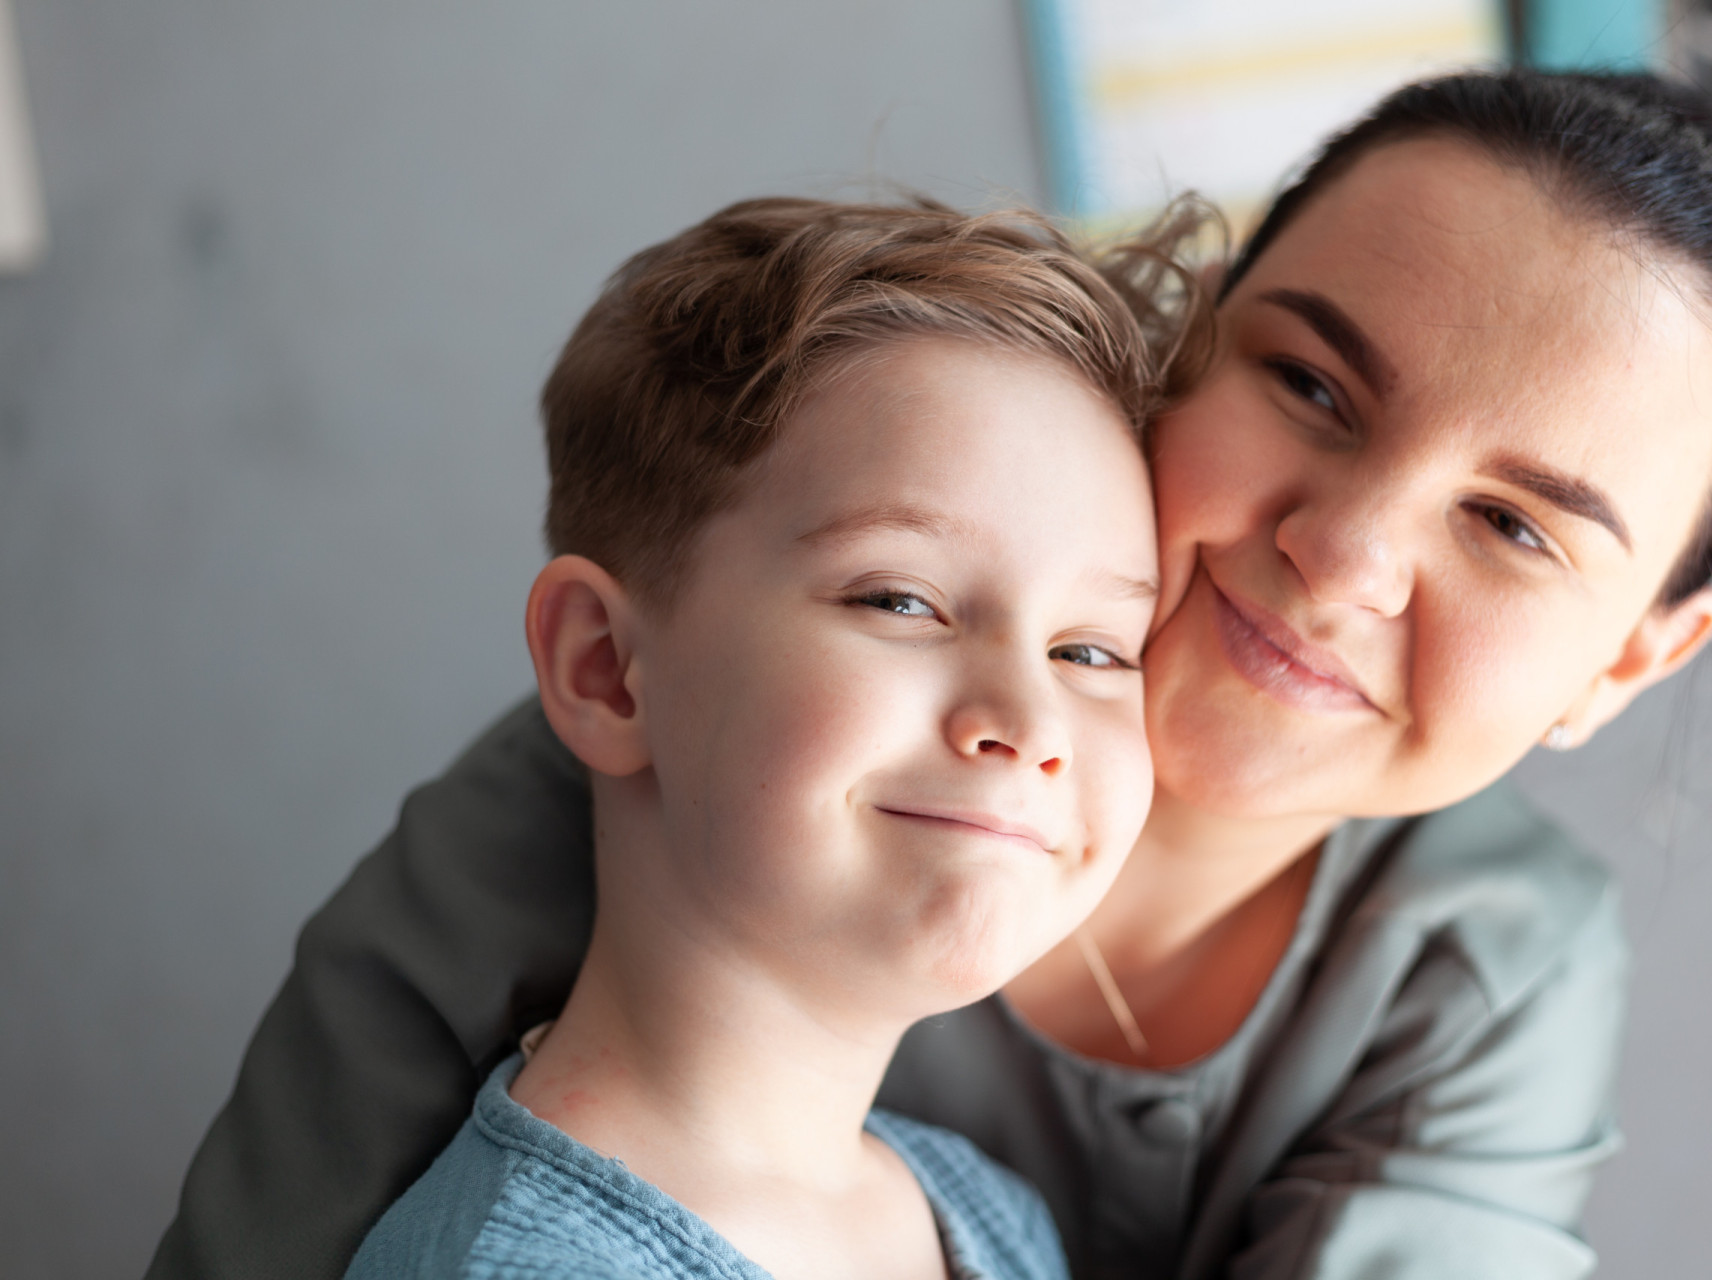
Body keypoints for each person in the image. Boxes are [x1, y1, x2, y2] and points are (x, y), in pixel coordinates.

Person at [147, 69, 1712, 1280]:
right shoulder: (655, 761)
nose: (1349, 553)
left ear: (1633, 658)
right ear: (1188, 345)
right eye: (1310, 385)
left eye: (1517, 529)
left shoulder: (1488, 970)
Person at [340, 195, 1209, 1279]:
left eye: (1091, 651)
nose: (1029, 723)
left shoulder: (988, 1216)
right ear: (604, 668)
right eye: (900, 600)